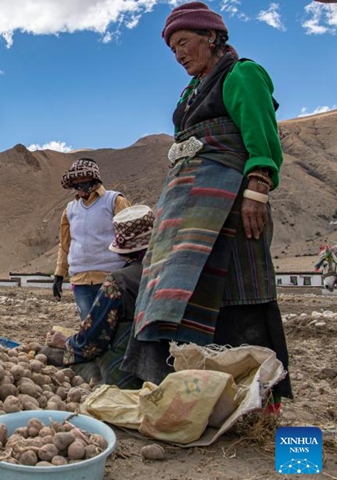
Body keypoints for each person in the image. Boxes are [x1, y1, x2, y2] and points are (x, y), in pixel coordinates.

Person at [122, 1, 292, 407]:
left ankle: (259, 404)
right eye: (172, 49)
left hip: (231, 206)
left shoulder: (240, 74)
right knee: (181, 297)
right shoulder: (191, 92)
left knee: (241, 292)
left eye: (183, 43)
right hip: (188, 213)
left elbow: (261, 136)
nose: (178, 55)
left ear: (211, 36)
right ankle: (200, 398)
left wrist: (257, 189)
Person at [43, 205, 154, 389]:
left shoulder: (119, 281)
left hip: (131, 373)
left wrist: (67, 343)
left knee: (49, 352)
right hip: (167, 365)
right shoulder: (171, 272)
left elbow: (92, 342)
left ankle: (101, 381)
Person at [52, 158, 131, 320]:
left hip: (111, 277)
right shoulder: (70, 209)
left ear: (94, 179)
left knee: (113, 324)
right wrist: (59, 274)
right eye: (75, 182)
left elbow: (129, 236)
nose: (79, 185)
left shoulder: (114, 201)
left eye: (83, 180)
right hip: (80, 280)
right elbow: (65, 245)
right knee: (88, 326)